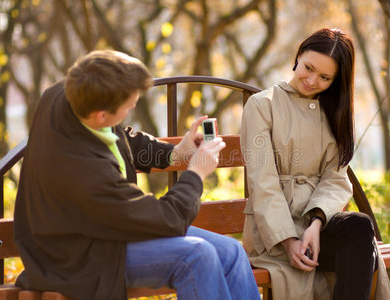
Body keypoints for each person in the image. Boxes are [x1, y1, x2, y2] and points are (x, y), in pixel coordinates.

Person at [13, 50, 260, 300]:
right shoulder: (87, 172)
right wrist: (196, 171)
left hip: (105, 230)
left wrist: (176, 153)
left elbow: (122, 139)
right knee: (196, 255)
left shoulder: (71, 94)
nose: (133, 106)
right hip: (81, 257)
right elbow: (169, 219)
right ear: (101, 116)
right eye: (129, 105)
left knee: (232, 252)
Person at [241, 28, 390, 300]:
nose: (311, 81)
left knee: (359, 227)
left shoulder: (333, 113)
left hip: (317, 227)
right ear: (299, 55)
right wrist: (289, 241)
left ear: (336, 81)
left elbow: (335, 178)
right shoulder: (262, 105)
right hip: (274, 233)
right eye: (308, 68)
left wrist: (316, 223)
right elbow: (262, 182)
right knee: (363, 250)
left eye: (324, 78)